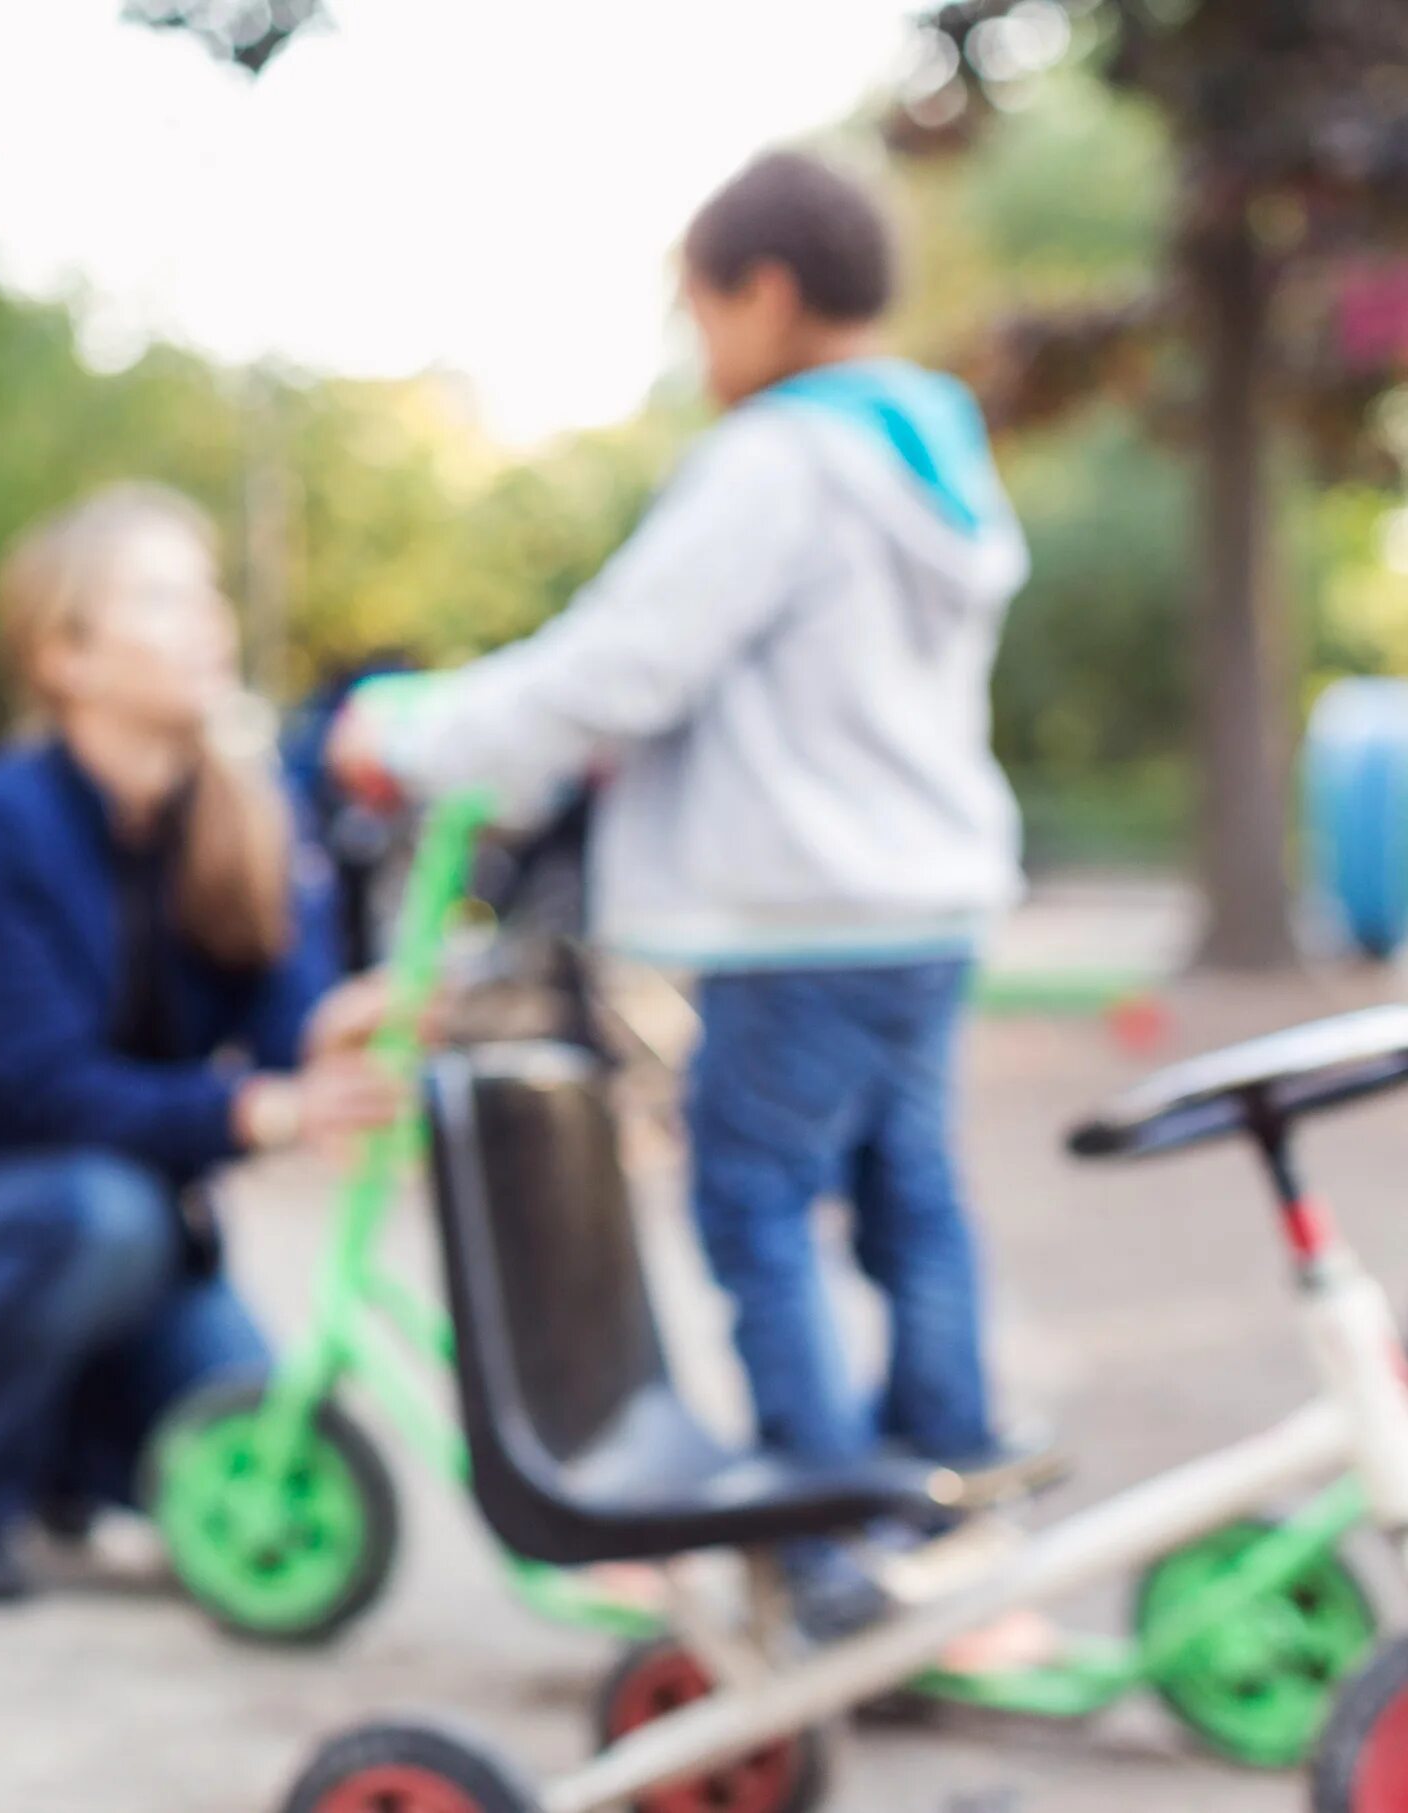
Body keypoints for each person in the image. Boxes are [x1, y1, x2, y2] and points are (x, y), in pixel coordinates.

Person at [330, 149, 1030, 1638]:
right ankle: (947, 1489)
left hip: (800, 918)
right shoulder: (933, 455)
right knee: (912, 1200)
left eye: (699, 312)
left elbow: (623, 665)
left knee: (753, 1200)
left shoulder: (781, 460)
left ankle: (828, 1548)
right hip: (924, 907)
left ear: (765, 294)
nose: (699, 350)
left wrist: (416, 733)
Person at [0, 484, 400, 1601]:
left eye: (206, 596)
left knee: (256, 1463)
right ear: (64, 657)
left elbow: (292, 1025)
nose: (208, 623)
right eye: (158, 599)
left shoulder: (243, 818)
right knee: (105, 1214)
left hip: (147, 1238)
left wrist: (348, 1031)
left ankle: (71, 1456)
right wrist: (256, 1111)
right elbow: (46, 1085)